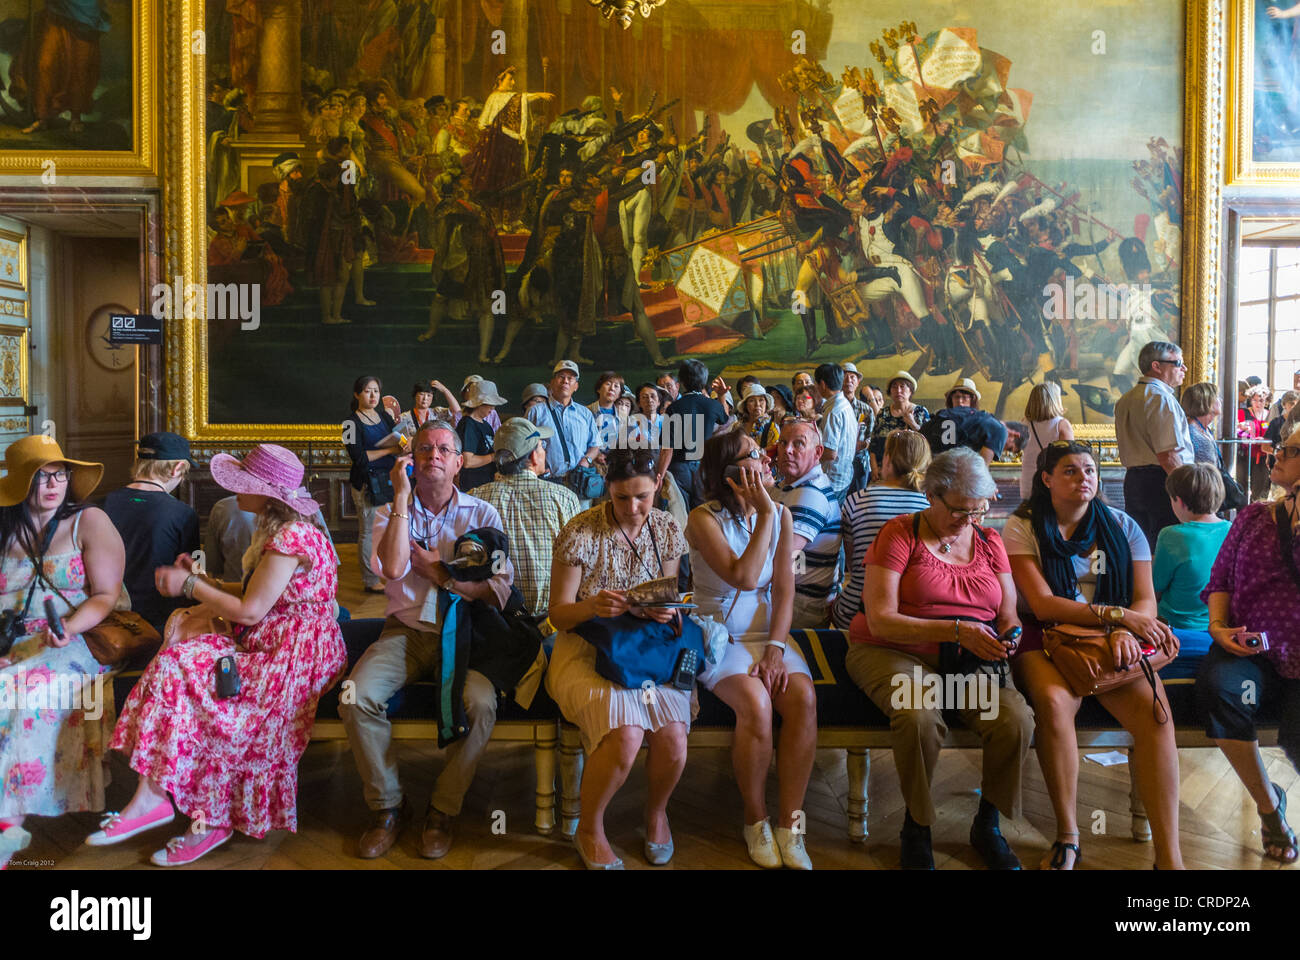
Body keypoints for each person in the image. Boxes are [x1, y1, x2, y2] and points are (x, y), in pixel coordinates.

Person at [94, 445, 346, 866]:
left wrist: (189, 588)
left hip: (293, 656)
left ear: (266, 494)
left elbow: (250, 610)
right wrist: (202, 579)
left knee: (218, 705)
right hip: (274, 642)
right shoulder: (281, 529)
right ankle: (152, 798)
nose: (233, 490)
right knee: (175, 664)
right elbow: (257, 597)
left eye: (243, 483)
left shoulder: (291, 536)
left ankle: (208, 820)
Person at [846, 447, 1033, 870]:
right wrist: (954, 630)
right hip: (893, 650)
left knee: (1014, 720)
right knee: (917, 714)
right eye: (959, 510)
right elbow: (880, 620)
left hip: (968, 660)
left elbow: (1007, 612)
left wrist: (1010, 635)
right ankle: (917, 825)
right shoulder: (899, 534)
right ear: (932, 493)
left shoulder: (989, 541)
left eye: (977, 510)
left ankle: (988, 825)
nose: (968, 520)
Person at [1003, 440, 1183, 870]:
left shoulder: (1123, 526)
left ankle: (1169, 856)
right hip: (1044, 636)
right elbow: (1043, 604)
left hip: (1111, 640)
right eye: (1069, 471)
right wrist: (1115, 619)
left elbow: (1146, 603)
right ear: (1045, 480)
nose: (1083, 477)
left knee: (1157, 717)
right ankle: (1068, 835)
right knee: (1053, 703)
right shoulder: (1022, 525)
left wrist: (1122, 629)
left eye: (1089, 470)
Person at [342, 421, 516, 860]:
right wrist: (400, 495)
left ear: (460, 463)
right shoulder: (388, 512)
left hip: (468, 634)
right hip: (407, 632)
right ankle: (388, 807)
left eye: (443, 449)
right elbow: (396, 569)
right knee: (354, 696)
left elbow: (499, 591)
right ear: (411, 460)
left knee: (482, 705)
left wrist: (444, 575)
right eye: (424, 449)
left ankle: (442, 809)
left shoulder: (483, 515)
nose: (433, 455)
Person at [545, 449, 690, 868]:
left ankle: (656, 812)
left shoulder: (664, 528)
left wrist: (664, 608)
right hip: (584, 649)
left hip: (644, 648)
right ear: (608, 488)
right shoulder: (581, 531)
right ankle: (589, 827)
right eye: (622, 498)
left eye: (642, 497)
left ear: (657, 487)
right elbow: (558, 614)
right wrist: (592, 607)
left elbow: (669, 597)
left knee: (673, 737)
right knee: (626, 733)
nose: (632, 508)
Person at [686, 432, 817, 869]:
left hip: (767, 632)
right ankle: (754, 819)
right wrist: (764, 514)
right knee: (757, 704)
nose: (765, 459)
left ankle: (790, 825)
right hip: (717, 634)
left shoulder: (781, 513)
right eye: (753, 455)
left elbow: (784, 589)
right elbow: (743, 575)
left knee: (803, 698)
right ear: (730, 472)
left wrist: (776, 650)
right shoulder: (703, 518)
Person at [0, 436, 123, 870]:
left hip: (71, 639)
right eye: (41, 476)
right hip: (9, 640)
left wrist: (67, 627)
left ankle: (7, 826)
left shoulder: (88, 522)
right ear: (19, 483)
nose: (53, 484)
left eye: (60, 474)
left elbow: (106, 596)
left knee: (20, 696)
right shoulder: (4, 525)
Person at [1196, 427, 1300, 863]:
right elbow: (1220, 580)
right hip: (1249, 649)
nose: (1276, 455)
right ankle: (1268, 805)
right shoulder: (1253, 516)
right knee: (1221, 692)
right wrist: (1219, 628)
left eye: (1291, 451)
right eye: (1280, 447)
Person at [468, 418, 580, 617]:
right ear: (533, 457)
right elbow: (579, 561)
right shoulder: (564, 498)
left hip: (495, 619)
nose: (544, 451)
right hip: (553, 620)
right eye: (542, 446)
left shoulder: (474, 498)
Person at [100, 432, 200, 635]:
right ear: (177, 468)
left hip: (106, 618)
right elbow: (192, 574)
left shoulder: (104, 503)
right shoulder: (183, 514)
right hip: (159, 625)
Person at [832, 429, 931, 630]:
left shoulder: (857, 500)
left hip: (855, 612)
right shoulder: (931, 507)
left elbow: (853, 565)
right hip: (912, 618)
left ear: (887, 459)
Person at [1152, 463, 1230, 678]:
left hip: (1177, 632)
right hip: (1221, 631)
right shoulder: (1232, 529)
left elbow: (1155, 589)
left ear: (1180, 501)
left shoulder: (1171, 535)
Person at [1113, 340, 1194, 549]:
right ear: (1156, 366)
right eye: (1177, 363)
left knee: (1141, 546)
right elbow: (1168, 455)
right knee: (1168, 545)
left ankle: (1143, 582)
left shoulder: (1125, 399)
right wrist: (1187, 490)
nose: (1183, 368)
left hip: (1134, 481)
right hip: (1162, 482)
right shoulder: (1160, 399)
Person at [771, 419, 841, 628]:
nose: (787, 450)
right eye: (782, 443)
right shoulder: (788, 484)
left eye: (798, 444)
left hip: (800, 607)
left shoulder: (811, 494)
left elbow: (781, 555)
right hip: (791, 598)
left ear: (818, 452)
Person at [345, 374, 402, 592]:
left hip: (390, 480)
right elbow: (358, 458)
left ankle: (388, 570)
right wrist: (389, 450)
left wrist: (404, 445)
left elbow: (398, 439)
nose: (372, 395)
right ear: (357, 394)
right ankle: (370, 580)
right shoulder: (349, 424)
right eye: (368, 391)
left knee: (389, 529)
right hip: (367, 484)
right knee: (368, 531)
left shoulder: (385, 418)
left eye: (376, 391)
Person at [205, 493, 336, 584]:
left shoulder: (284, 540)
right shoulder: (307, 510)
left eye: (245, 484)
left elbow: (250, 612)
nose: (237, 490)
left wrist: (194, 586)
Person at [657, 359, 727, 512]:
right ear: (704, 381)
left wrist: (659, 476)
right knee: (703, 514)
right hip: (704, 468)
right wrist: (721, 396)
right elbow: (725, 418)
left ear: (681, 382)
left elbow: (667, 448)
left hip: (679, 469)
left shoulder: (674, 408)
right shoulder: (713, 405)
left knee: (680, 514)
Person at [526, 361, 600, 489]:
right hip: (547, 482)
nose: (565, 381)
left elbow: (595, 445)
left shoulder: (585, 413)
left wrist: (586, 461)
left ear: (576, 386)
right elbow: (525, 444)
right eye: (561, 377)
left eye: (570, 378)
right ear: (552, 382)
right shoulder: (536, 412)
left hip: (579, 482)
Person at [929, 378, 1009, 466]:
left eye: (964, 397)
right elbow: (1001, 430)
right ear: (951, 399)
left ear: (972, 399)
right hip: (953, 471)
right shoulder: (940, 417)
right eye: (957, 397)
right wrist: (983, 466)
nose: (960, 401)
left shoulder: (940, 417)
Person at [1020, 382, 1075, 498]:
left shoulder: (1024, 423)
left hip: (1028, 481)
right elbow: (1070, 458)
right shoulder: (1061, 425)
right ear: (1054, 400)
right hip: (1052, 483)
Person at [870, 371, 930, 476]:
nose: (898, 390)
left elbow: (928, 443)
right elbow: (873, 445)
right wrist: (874, 469)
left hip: (912, 473)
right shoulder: (883, 413)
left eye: (902, 387)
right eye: (894, 387)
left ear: (910, 391)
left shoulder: (920, 412)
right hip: (884, 471)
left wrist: (913, 424)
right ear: (890, 391)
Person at [815, 362, 857, 501]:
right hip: (843, 476)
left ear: (822, 384)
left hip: (832, 479)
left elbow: (830, 453)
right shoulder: (844, 404)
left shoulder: (834, 411)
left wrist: (807, 457)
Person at [455, 379, 508, 491]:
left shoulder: (486, 426)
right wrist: (494, 456)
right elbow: (468, 461)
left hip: (488, 484)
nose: (493, 408)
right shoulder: (468, 424)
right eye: (491, 404)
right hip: (474, 487)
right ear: (479, 403)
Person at [842, 362, 875, 492]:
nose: (848, 380)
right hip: (838, 460)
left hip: (859, 459)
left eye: (852, 377)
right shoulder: (832, 407)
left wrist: (864, 444)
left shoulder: (866, 409)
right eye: (844, 376)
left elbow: (871, 436)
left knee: (858, 494)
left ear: (857, 382)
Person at [1238, 384, 1273, 501]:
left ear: (1267, 401)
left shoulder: (1269, 415)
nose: (1258, 404)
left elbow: (1273, 435)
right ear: (1250, 400)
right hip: (1244, 456)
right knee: (1241, 488)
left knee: (1260, 488)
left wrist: (1264, 440)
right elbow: (1237, 432)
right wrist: (1243, 430)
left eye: (1261, 400)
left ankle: (1256, 513)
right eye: (1255, 400)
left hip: (1263, 457)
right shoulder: (1242, 413)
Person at [1180, 381, 1223, 466]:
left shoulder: (1204, 429)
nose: (1220, 400)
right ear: (1206, 401)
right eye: (1217, 397)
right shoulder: (1191, 431)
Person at [736, 382, 779, 450]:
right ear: (745, 405)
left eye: (761, 400)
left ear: (766, 404)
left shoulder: (772, 428)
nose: (757, 404)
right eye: (752, 400)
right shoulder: (737, 426)